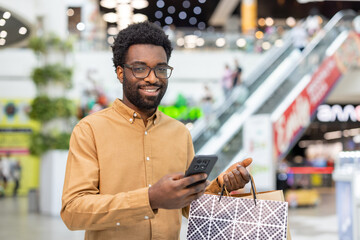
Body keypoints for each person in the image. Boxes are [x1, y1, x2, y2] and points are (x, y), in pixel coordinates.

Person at [61, 22, 252, 240]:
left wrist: (221, 186)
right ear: (121, 73)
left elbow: (189, 206)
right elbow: (73, 211)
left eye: (160, 68)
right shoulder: (90, 130)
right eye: (140, 68)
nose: (153, 78)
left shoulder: (179, 133)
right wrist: (149, 199)